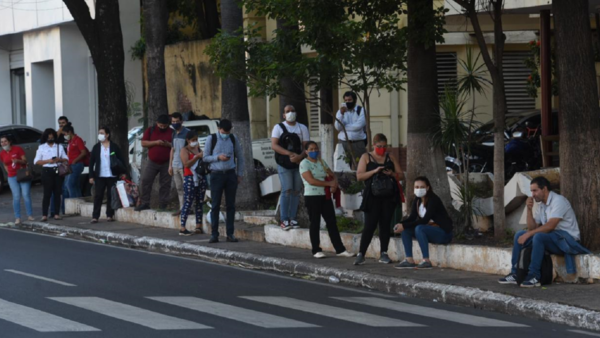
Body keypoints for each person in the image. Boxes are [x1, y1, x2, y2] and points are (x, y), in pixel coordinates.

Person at [498, 177, 590, 288]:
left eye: (535, 190)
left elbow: (550, 226)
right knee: (519, 235)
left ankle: (534, 275)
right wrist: (529, 209)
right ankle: (515, 273)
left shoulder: (558, 201)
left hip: (567, 242)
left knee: (538, 237)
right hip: (553, 239)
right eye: (531, 191)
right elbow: (533, 227)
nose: (532, 194)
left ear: (544, 189)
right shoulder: (542, 205)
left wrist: (529, 234)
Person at [354, 133, 403, 265]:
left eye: (384, 146)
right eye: (379, 146)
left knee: (385, 225)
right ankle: (361, 253)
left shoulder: (390, 157)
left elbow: (401, 174)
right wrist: (374, 171)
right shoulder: (366, 157)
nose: (382, 149)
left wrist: (391, 173)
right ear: (374, 145)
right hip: (372, 195)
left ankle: (384, 253)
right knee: (370, 225)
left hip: (388, 195)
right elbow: (359, 176)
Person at [299, 141, 355, 259]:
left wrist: (334, 184)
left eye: (316, 149)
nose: (314, 151)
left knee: (331, 222)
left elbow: (332, 174)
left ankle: (340, 249)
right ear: (306, 152)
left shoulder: (321, 161)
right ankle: (316, 250)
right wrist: (328, 183)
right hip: (312, 196)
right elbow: (311, 180)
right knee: (315, 222)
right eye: (311, 149)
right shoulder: (304, 163)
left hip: (325, 195)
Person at [393, 176, 453, 269]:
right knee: (406, 230)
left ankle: (426, 260)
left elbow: (425, 220)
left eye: (422, 187)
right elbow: (412, 217)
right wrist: (401, 224)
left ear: (428, 188)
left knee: (419, 228)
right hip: (429, 231)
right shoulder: (417, 200)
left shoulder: (433, 199)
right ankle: (409, 260)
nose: (419, 189)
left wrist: (404, 225)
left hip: (443, 233)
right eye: (416, 187)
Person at [203, 119, 244, 243]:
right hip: (216, 175)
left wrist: (239, 174)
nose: (225, 133)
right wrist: (218, 157)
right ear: (219, 129)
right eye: (223, 131)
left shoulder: (233, 138)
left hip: (231, 174)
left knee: (230, 205)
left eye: (227, 131)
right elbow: (205, 157)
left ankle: (230, 233)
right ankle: (214, 234)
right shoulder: (212, 139)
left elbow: (240, 157)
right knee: (215, 205)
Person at [271, 105, 310, 231]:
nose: (290, 113)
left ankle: (293, 218)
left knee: (296, 191)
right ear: (283, 115)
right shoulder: (278, 127)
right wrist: (289, 154)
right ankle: (284, 219)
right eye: (287, 111)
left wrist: (299, 157)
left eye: (292, 111)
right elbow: (274, 145)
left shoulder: (302, 127)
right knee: (287, 189)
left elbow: (306, 146)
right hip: (284, 163)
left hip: (299, 163)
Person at [136, 114, 174, 211]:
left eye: (164, 126)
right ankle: (145, 202)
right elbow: (143, 143)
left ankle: (163, 204)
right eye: (160, 125)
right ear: (157, 123)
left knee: (165, 184)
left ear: (168, 125)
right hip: (152, 162)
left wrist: (168, 144)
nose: (162, 127)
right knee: (146, 181)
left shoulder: (172, 132)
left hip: (166, 162)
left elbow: (175, 146)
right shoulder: (150, 130)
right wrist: (156, 142)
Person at [89, 126, 126, 224]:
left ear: (107, 135)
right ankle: (95, 216)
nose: (100, 135)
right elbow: (91, 162)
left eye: (102, 133)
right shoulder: (96, 147)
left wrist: (123, 172)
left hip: (112, 175)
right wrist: (91, 176)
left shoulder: (114, 146)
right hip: (100, 175)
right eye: (99, 133)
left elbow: (121, 159)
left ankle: (110, 215)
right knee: (98, 196)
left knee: (111, 195)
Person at [34, 128, 68, 221]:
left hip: (57, 170)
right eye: (49, 137)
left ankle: (57, 213)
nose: (50, 139)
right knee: (47, 193)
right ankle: (44, 214)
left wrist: (59, 160)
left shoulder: (59, 146)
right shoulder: (42, 147)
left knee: (57, 193)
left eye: (52, 137)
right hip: (46, 171)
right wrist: (48, 161)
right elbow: (36, 161)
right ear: (45, 138)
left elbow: (66, 158)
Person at [179, 131, 207, 236]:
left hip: (200, 177)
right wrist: (197, 157)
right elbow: (186, 164)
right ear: (188, 140)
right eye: (193, 140)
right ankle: (182, 227)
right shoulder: (184, 150)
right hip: (189, 177)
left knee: (199, 201)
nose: (195, 142)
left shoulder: (198, 149)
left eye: (196, 140)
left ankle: (198, 226)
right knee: (188, 201)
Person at [1, 135, 34, 224]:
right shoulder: (2, 153)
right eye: (2, 142)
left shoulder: (17, 149)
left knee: (26, 194)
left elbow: (25, 161)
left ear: (9, 141)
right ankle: (17, 217)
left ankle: (30, 215)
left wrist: (18, 161)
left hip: (22, 174)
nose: (4, 143)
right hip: (12, 177)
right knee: (16, 197)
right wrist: (8, 173)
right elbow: (5, 164)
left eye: (5, 141)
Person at [334, 91, 367, 169]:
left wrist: (344, 127)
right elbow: (338, 127)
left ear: (355, 100)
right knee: (343, 167)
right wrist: (341, 114)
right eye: (346, 100)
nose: (347, 102)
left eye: (349, 100)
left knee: (360, 166)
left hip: (358, 143)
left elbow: (358, 126)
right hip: (344, 142)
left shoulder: (361, 110)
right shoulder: (340, 112)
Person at [168, 112, 191, 216]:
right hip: (175, 165)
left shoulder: (187, 133)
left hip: (184, 165)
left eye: (177, 121)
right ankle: (182, 208)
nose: (175, 123)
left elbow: (191, 149)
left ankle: (189, 208)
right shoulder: (173, 133)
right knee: (179, 188)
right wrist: (170, 165)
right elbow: (172, 150)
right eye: (173, 122)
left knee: (187, 187)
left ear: (181, 121)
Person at [51, 115, 70, 217]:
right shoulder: (57, 135)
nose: (61, 125)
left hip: (66, 164)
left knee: (65, 189)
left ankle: (64, 210)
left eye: (63, 123)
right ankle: (53, 211)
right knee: (55, 189)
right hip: (58, 165)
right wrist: (59, 131)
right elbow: (53, 140)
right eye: (60, 123)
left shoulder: (69, 134)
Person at [62, 125, 87, 199]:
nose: (65, 136)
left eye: (65, 134)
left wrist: (75, 160)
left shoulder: (78, 140)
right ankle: (78, 201)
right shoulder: (70, 141)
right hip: (70, 165)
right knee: (73, 185)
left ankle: (73, 202)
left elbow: (83, 152)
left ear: (69, 132)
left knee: (70, 184)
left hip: (77, 165)